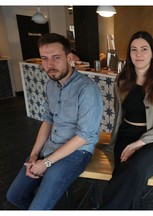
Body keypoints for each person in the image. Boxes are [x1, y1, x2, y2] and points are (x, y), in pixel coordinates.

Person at [6, 33, 103, 210]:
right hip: (50, 148)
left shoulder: (87, 89)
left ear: (69, 58)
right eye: (45, 59)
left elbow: (83, 137)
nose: (50, 65)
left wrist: (46, 163)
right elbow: (47, 120)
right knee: (14, 195)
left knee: (37, 208)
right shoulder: (51, 85)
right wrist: (35, 155)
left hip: (77, 153)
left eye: (56, 58)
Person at [99, 31, 153, 209]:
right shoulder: (121, 81)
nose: (139, 54)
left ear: (152, 53)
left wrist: (139, 143)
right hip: (126, 135)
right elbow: (119, 115)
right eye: (134, 50)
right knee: (128, 175)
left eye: (144, 49)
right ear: (129, 54)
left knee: (136, 168)